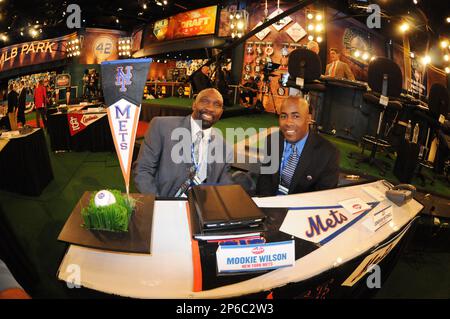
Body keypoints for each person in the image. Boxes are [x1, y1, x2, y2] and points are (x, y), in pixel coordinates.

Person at [133, 88, 233, 197]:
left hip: (202, 209)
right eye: (204, 101)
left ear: (221, 112)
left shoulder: (225, 148)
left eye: (217, 105)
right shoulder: (162, 127)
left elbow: (224, 186)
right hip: (164, 204)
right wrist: (158, 203)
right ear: (194, 105)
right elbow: (143, 170)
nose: (210, 108)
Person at [256, 96, 340, 196]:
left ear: (308, 119)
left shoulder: (328, 153)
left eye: (295, 116)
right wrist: (266, 204)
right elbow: (265, 178)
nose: (288, 123)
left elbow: (323, 198)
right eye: (284, 116)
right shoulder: (272, 140)